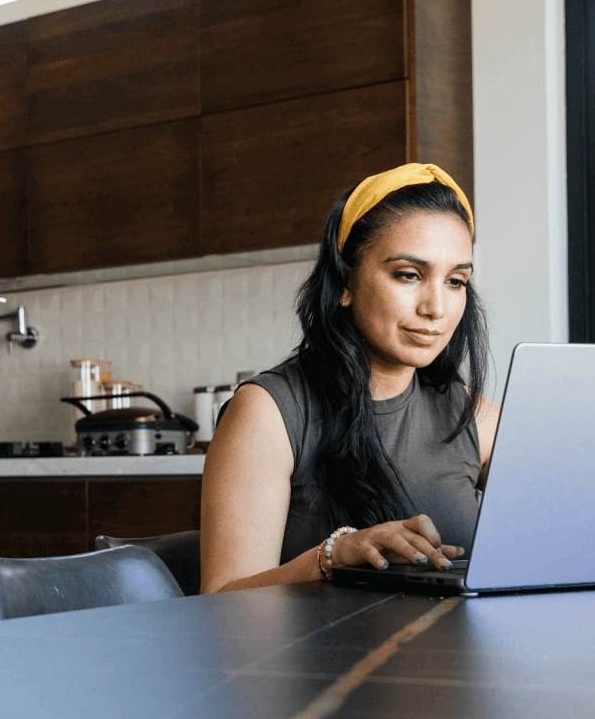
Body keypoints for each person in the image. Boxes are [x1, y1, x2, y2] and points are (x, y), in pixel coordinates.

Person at [199, 163, 500, 594]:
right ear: (345, 280)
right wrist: (332, 557)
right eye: (408, 275)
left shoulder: (470, 415)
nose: (436, 307)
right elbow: (219, 601)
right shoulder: (267, 413)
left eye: (455, 281)